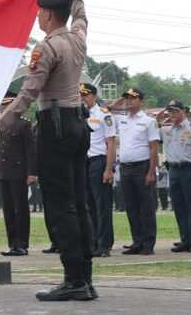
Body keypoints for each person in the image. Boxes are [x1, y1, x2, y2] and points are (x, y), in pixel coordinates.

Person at [0, 0, 96, 302]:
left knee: (59, 205)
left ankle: (73, 280)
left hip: (55, 126)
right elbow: (81, 12)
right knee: (78, 202)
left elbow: (28, 92)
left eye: (39, 12)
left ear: (48, 15)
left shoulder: (47, 47)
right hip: (77, 123)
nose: (37, 17)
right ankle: (85, 278)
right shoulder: (78, 37)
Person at [0, 90, 36, 257]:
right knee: (8, 209)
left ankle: (22, 244)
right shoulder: (0, 124)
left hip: (18, 171)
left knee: (20, 209)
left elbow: (30, 151)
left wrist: (31, 173)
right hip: (3, 171)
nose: (3, 109)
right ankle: (12, 243)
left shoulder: (23, 125)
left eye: (6, 106)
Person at [115, 87, 160, 255]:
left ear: (141, 101)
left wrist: (151, 171)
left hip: (142, 166)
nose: (129, 101)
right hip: (126, 168)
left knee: (146, 207)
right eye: (127, 98)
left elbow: (153, 148)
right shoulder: (121, 119)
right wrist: (119, 102)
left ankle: (148, 243)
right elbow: (107, 110)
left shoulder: (148, 121)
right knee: (131, 207)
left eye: (133, 98)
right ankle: (137, 241)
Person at [161, 99, 191, 253]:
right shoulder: (168, 130)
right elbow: (153, 125)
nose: (172, 114)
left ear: (183, 112)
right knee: (179, 207)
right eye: (170, 111)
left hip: (189, 169)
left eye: (175, 111)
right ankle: (185, 240)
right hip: (174, 170)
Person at [80, 83, 116, 257]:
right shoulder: (78, 114)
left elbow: (111, 143)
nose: (83, 98)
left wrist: (109, 169)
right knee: (89, 206)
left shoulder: (104, 115)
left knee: (102, 205)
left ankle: (104, 244)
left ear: (94, 96)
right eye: (80, 95)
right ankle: (93, 242)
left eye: (86, 95)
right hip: (83, 162)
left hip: (99, 161)